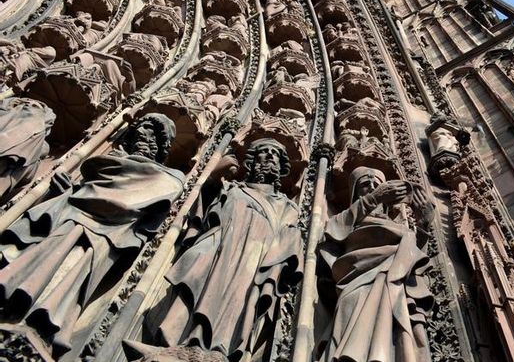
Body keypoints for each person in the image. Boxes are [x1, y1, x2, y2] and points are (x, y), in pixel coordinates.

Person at [0, 113, 183, 355]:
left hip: (104, 237)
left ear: (161, 142)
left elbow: (150, 201)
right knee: (29, 271)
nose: (141, 132)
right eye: (139, 127)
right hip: (71, 219)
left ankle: (33, 335)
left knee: (62, 287)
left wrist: (91, 196)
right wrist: (64, 193)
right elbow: (86, 192)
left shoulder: (169, 177)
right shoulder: (110, 161)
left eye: (149, 129)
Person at [147, 138, 303, 360]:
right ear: (251, 162)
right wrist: (213, 176)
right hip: (219, 249)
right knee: (201, 277)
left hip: (254, 260)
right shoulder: (232, 188)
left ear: (281, 167)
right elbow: (203, 207)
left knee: (240, 299)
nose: (270, 156)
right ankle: (186, 340)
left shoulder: (287, 205)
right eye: (264, 152)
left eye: (276, 155)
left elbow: (289, 240)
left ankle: (220, 349)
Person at [315, 167, 434, 362]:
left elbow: (411, 258)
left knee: (398, 342)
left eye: (377, 185)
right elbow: (332, 232)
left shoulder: (400, 227)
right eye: (365, 184)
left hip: (395, 287)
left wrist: (424, 225)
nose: (371, 187)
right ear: (355, 194)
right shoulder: (345, 220)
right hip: (357, 285)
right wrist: (375, 197)